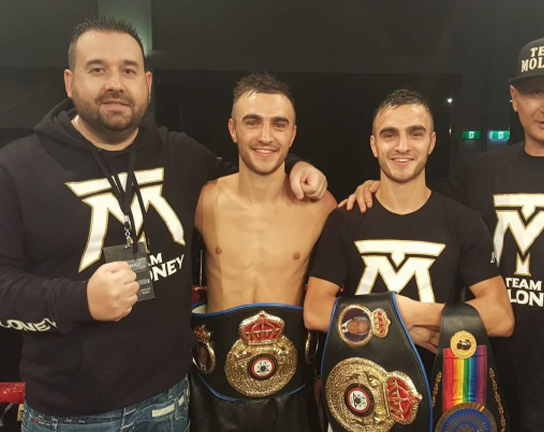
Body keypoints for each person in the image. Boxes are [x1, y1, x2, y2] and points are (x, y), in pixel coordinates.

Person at [0, 17, 326, 432]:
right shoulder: (17, 167)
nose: (115, 83)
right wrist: (79, 300)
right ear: (69, 80)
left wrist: (301, 167)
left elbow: (252, 170)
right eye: (97, 69)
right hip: (69, 414)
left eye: (128, 70)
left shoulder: (179, 155)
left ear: (147, 83)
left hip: (170, 405)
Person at [346, 35, 544, 432]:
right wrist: (369, 185)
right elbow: (410, 202)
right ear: (514, 98)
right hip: (486, 393)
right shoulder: (480, 172)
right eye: (534, 92)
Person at [304, 89, 514, 431]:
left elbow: (501, 316)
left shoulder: (463, 222)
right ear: (374, 145)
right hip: (359, 398)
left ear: (431, 142)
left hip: (440, 401)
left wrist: (411, 315)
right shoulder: (347, 218)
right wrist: (403, 330)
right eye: (390, 135)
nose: (402, 146)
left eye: (415, 133)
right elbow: (314, 310)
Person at [190, 73, 336, 432]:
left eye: (278, 124)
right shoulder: (203, 200)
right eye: (252, 122)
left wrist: (372, 186)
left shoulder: (321, 207)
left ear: (293, 134)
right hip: (215, 389)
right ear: (233, 129)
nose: (266, 136)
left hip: (291, 393)